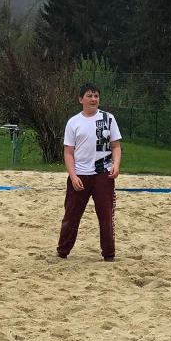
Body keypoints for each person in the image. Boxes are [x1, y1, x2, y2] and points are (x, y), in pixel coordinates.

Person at [56, 82, 123, 261]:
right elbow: (68, 152)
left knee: (106, 216)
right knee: (71, 216)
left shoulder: (108, 119)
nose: (93, 99)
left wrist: (116, 165)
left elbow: (116, 146)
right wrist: (73, 176)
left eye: (96, 96)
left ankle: (109, 254)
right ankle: (62, 252)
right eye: (89, 96)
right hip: (80, 175)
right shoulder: (73, 122)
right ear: (81, 99)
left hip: (103, 174)